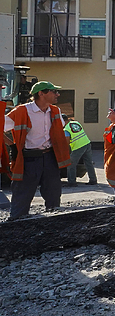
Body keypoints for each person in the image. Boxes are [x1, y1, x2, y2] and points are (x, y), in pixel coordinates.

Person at [4, 81, 71, 219]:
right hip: (29, 159)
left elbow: (59, 130)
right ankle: (15, 226)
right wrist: (12, 145)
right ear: (41, 93)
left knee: (53, 196)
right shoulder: (22, 111)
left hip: (50, 158)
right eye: (53, 91)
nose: (57, 94)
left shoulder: (55, 111)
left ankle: (54, 227)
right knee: (22, 196)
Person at [63, 114, 98, 187]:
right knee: (88, 163)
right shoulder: (76, 123)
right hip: (87, 143)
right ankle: (93, 180)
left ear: (63, 121)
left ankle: (71, 182)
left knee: (71, 164)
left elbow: (67, 142)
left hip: (78, 147)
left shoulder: (66, 129)